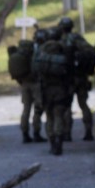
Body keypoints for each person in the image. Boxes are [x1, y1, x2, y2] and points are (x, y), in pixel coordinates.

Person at [33, 28, 73, 156]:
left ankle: (52, 144)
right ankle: (59, 143)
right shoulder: (64, 49)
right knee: (59, 116)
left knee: (49, 117)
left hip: (45, 90)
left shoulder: (40, 51)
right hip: (60, 90)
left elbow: (34, 70)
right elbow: (70, 69)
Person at [56, 17, 95, 141]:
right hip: (81, 77)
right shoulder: (78, 38)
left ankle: (67, 133)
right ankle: (88, 131)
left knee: (67, 106)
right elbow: (90, 50)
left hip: (67, 79)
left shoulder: (59, 40)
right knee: (84, 104)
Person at [7, 35, 45, 144]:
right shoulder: (33, 54)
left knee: (26, 109)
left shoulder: (19, 56)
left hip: (24, 83)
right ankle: (36, 133)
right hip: (35, 83)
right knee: (38, 108)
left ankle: (25, 134)